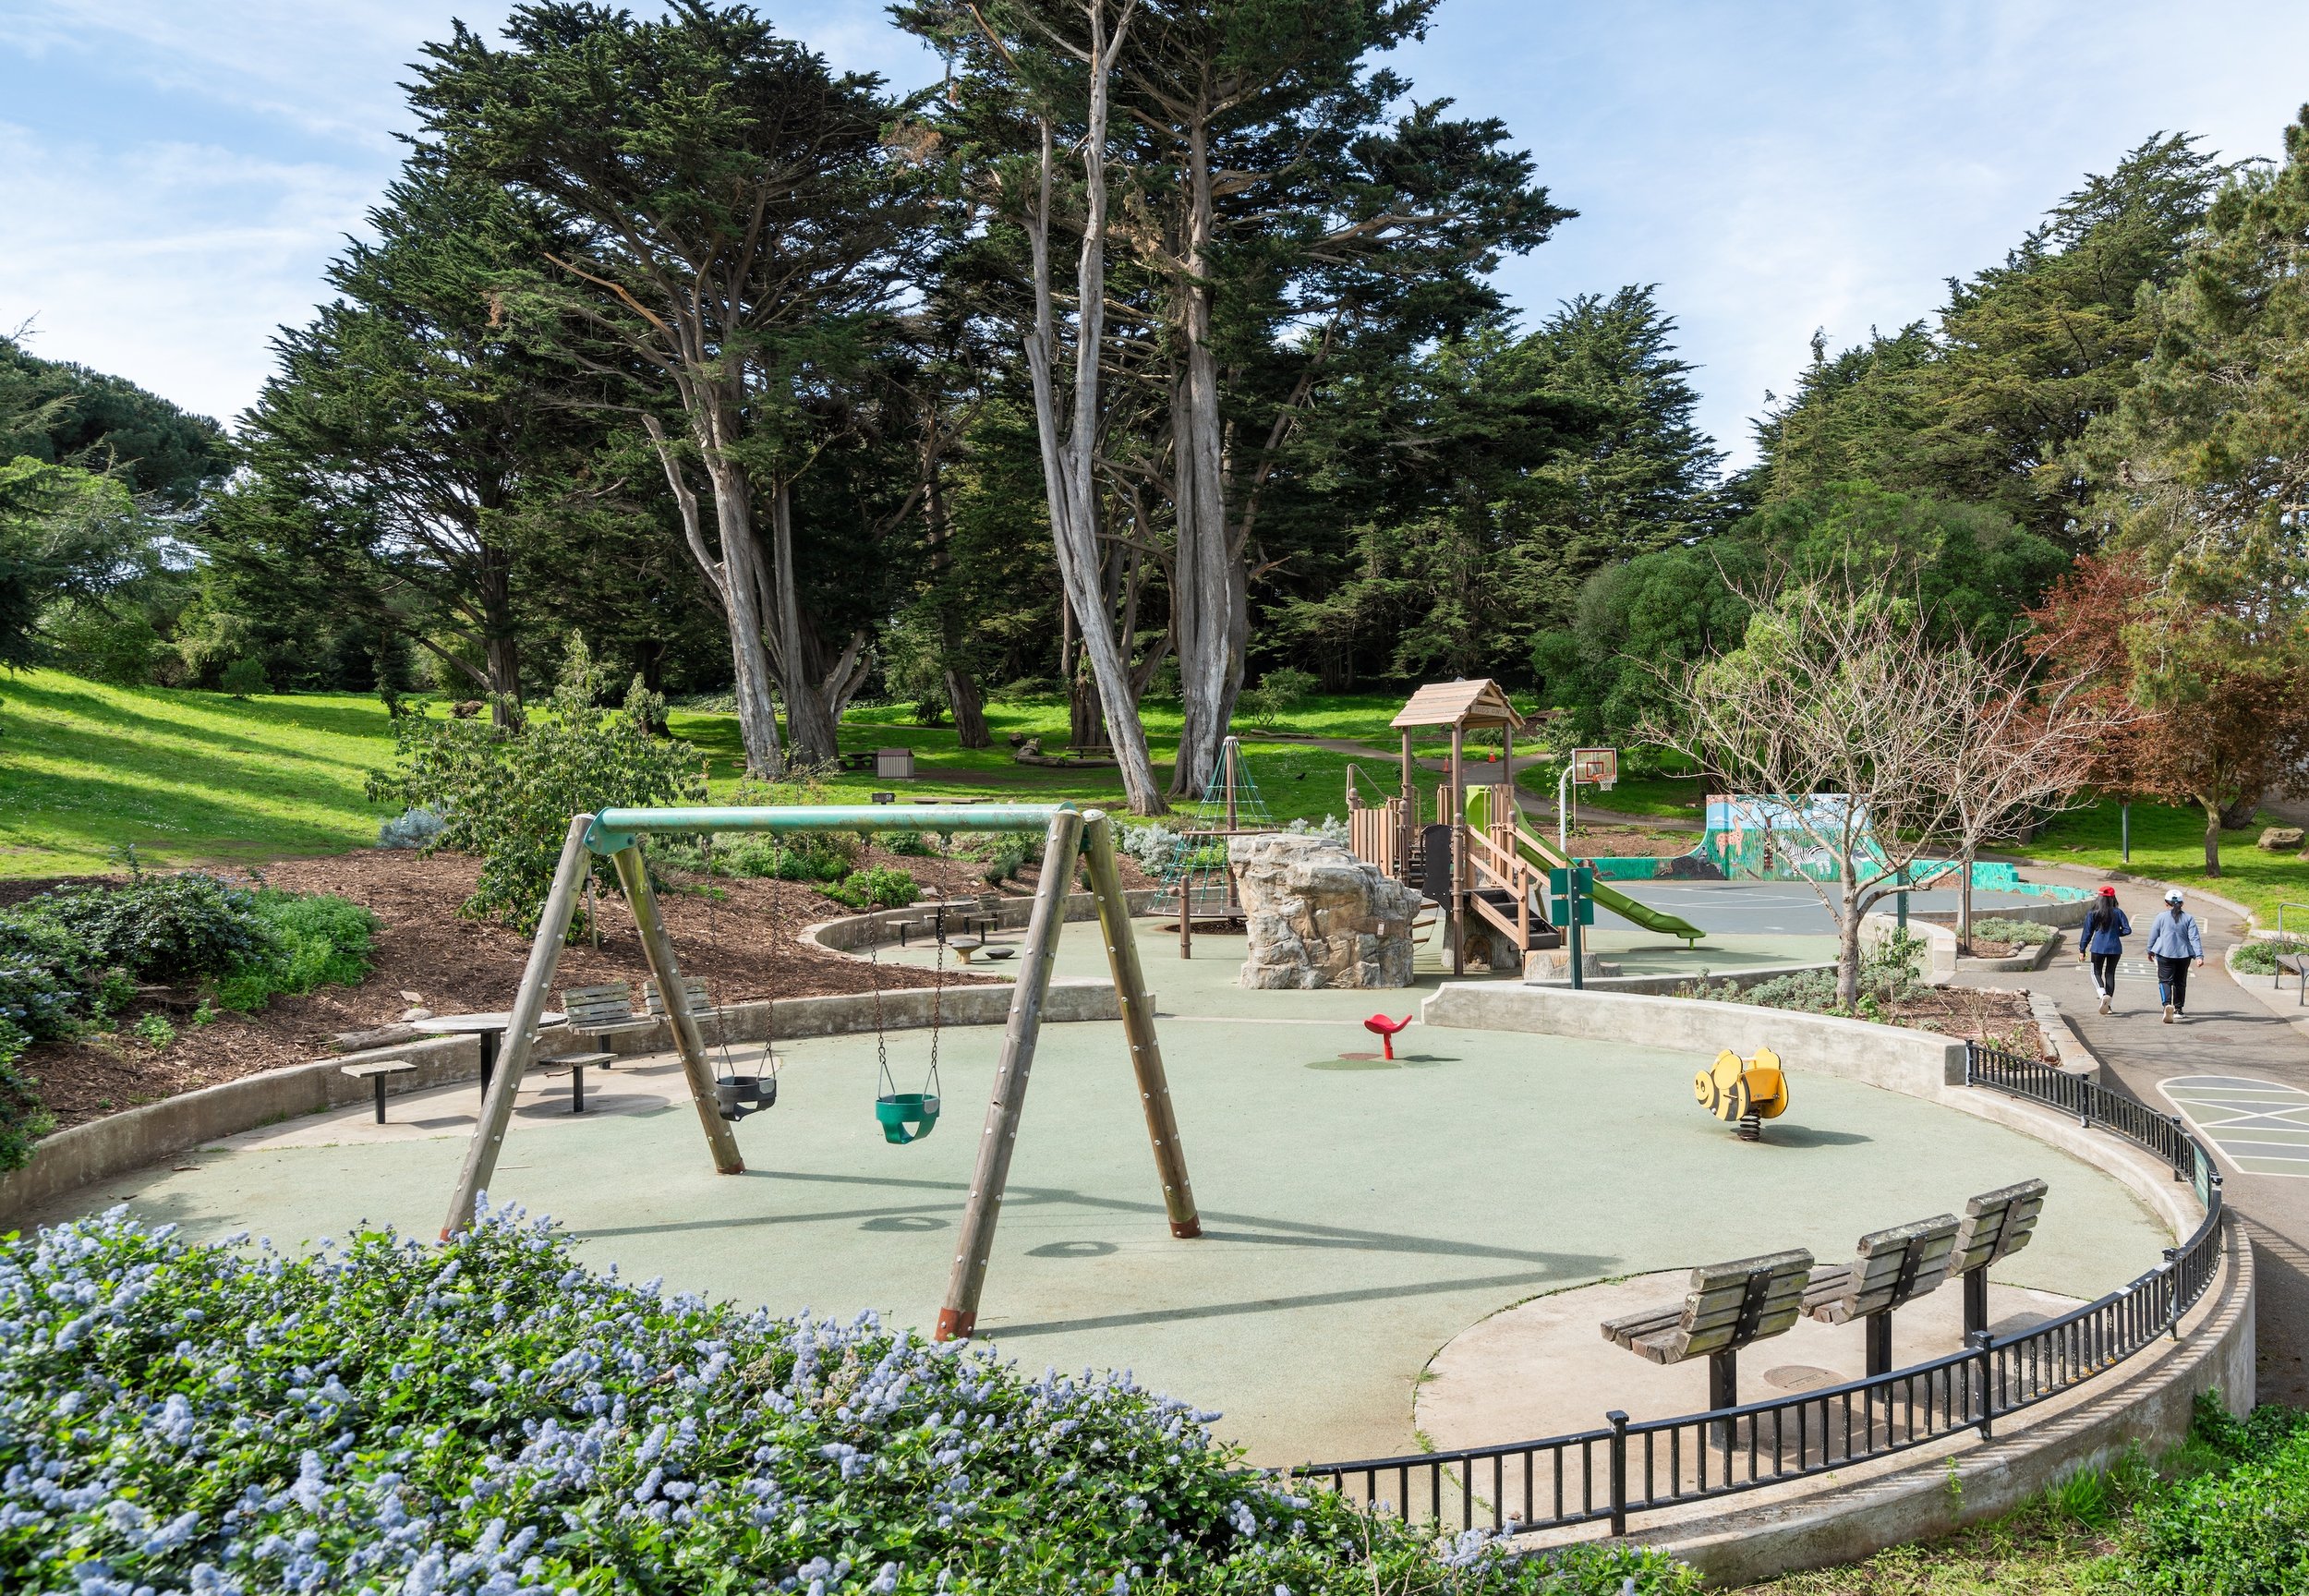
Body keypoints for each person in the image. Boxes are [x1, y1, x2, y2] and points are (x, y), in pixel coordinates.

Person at [2146, 889, 2206, 1023]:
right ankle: (2178, 1009)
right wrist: (2199, 956)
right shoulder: (2188, 918)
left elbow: (2153, 935)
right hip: (2184, 954)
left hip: (2164, 953)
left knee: (2164, 980)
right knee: (2180, 981)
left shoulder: (2161, 917)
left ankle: (2167, 1005)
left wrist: (2150, 951)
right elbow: (2194, 938)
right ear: (2182, 904)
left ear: (2166, 903)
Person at [2076, 885, 2133, 1015]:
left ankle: (2102, 995)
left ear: (2099, 897)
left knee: (2095, 972)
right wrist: (2115, 934)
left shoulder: (2093, 913)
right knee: (2110, 974)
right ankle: (2108, 1006)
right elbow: (2127, 930)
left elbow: (2087, 933)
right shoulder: (2118, 912)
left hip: (2098, 947)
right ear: (2113, 898)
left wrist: (2082, 949)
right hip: (2115, 948)